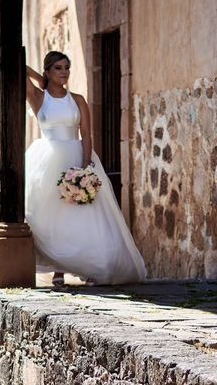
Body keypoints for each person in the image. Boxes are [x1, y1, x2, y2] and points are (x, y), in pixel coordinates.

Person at [25, 51, 147, 287]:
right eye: (58, 68)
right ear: (49, 71)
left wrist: (83, 167)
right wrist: (40, 78)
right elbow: (17, 66)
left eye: (67, 68)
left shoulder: (78, 100)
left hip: (76, 158)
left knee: (84, 216)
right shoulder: (38, 98)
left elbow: (87, 135)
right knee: (53, 217)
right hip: (46, 162)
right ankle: (59, 269)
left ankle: (92, 267)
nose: (64, 72)